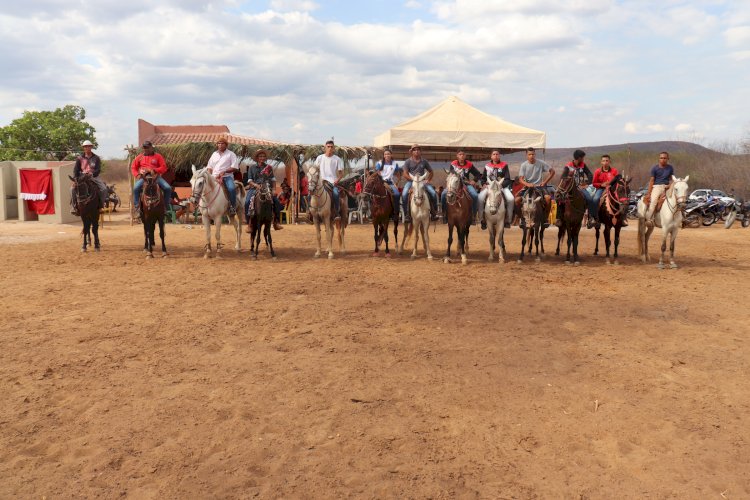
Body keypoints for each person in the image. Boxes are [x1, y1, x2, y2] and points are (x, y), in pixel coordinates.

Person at [514, 147, 555, 228]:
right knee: (517, 200)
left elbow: (552, 171)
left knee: (548, 198)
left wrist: (545, 182)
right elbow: (520, 179)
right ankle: (522, 219)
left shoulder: (541, 163)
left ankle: (545, 219)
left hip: (539, 187)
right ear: (526, 155)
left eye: (533, 154)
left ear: (535, 154)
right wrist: (527, 184)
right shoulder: (524, 165)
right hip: (527, 187)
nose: (531, 156)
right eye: (529, 154)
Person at [555, 149, 595, 228]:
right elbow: (563, 177)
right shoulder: (568, 166)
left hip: (580, 188)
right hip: (568, 188)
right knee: (559, 199)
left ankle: (590, 218)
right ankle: (559, 218)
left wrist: (587, 184)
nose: (583, 159)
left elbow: (590, 174)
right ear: (579, 158)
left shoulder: (583, 165)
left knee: (590, 199)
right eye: (583, 158)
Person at [245, 149, 283, 231]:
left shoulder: (268, 168)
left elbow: (273, 180)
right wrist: (256, 185)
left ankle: (276, 222)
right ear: (257, 158)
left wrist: (273, 189)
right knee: (247, 201)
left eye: (263, 156)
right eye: (260, 156)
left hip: (267, 188)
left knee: (276, 202)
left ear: (265, 158)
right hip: (254, 188)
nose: (262, 158)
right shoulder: (252, 168)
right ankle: (249, 224)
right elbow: (249, 180)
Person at [477, 149, 514, 229]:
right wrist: (484, 184)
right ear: (491, 156)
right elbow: (483, 178)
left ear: (499, 156)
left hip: (501, 187)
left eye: (497, 154)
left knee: (511, 199)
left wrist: (502, 185)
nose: (495, 156)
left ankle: (508, 220)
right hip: (489, 187)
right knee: (480, 198)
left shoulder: (504, 165)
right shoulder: (487, 166)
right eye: (494, 154)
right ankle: (482, 219)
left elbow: (507, 179)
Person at [442, 150, 482, 223]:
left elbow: (478, 174)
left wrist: (474, 181)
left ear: (465, 156)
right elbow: (451, 174)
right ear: (457, 156)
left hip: (466, 184)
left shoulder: (469, 164)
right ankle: (445, 214)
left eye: (463, 154)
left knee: (475, 195)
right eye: (460, 154)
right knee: (443, 194)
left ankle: (473, 215)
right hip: (455, 184)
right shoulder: (453, 164)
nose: (462, 156)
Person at [401, 144, 438, 222]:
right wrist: (413, 180)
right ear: (411, 152)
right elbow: (405, 173)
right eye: (414, 150)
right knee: (404, 194)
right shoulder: (408, 161)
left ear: (420, 151)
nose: (416, 151)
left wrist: (428, 180)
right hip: (411, 182)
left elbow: (431, 172)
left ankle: (434, 213)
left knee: (433, 193)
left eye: (418, 150)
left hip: (422, 182)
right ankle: (407, 214)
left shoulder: (424, 161)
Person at [132, 141, 171, 213]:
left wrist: (155, 170)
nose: (146, 149)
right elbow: (133, 167)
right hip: (144, 178)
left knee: (168, 188)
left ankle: (165, 206)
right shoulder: (139, 157)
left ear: (151, 148)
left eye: (147, 148)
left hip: (156, 177)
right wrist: (137, 174)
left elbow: (164, 167)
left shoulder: (158, 156)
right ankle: (137, 207)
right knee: (135, 188)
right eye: (144, 148)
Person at [70, 140, 107, 215]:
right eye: (85, 147)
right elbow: (76, 170)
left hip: (93, 177)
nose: (87, 148)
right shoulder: (79, 158)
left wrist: (92, 174)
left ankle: (100, 206)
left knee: (104, 189)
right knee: (72, 189)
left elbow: (98, 169)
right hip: (82, 177)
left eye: (89, 146)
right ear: (83, 148)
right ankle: (74, 207)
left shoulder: (96, 158)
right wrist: (75, 180)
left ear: (91, 147)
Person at [206, 137, 238, 216]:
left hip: (227, 177)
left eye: (222, 143)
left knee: (231, 189)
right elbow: (209, 167)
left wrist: (225, 171)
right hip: (214, 177)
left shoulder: (231, 154)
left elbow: (235, 167)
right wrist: (210, 176)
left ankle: (232, 207)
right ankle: (203, 207)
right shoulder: (214, 154)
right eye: (219, 143)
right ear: (217, 145)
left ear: (226, 145)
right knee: (204, 187)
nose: (220, 145)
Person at [592, 154, 627, 226]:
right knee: (595, 199)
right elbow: (594, 183)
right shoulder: (597, 171)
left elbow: (618, 181)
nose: (605, 162)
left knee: (623, 199)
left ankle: (623, 218)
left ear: (609, 161)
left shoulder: (614, 171)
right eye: (603, 161)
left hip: (612, 190)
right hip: (601, 189)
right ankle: (595, 218)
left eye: (607, 161)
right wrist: (601, 185)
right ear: (601, 162)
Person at [314, 140, 345, 221]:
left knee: (336, 194)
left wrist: (337, 180)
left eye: (331, 147)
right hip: (321, 182)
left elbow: (341, 173)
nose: (330, 148)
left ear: (334, 148)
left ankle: (337, 213)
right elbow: (315, 170)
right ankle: (310, 212)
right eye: (328, 147)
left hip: (332, 183)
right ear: (325, 148)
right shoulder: (319, 158)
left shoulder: (337, 159)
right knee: (311, 192)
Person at [644, 152, 675, 227]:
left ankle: (681, 218)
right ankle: (648, 219)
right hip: (657, 186)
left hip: (667, 187)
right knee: (653, 202)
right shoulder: (655, 168)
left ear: (668, 159)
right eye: (661, 158)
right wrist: (649, 193)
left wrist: (670, 185)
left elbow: (672, 179)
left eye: (665, 158)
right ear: (659, 159)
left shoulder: (670, 168)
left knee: (676, 199)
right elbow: (651, 181)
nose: (663, 159)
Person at [375, 148, 401, 222]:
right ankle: (373, 211)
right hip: (381, 182)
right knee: (373, 193)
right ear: (383, 156)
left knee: (397, 194)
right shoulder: (379, 163)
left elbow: (398, 175)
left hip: (390, 183)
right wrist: (381, 180)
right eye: (385, 154)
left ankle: (395, 213)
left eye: (388, 154)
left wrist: (396, 183)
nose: (387, 155)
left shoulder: (394, 164)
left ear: (391, 155)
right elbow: (378, 172)